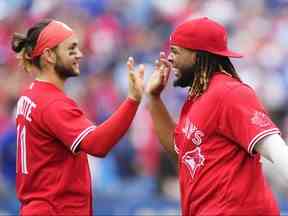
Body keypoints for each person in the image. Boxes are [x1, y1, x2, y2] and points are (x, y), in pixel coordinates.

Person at [146, 17, 288, 215]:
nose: (170, 58)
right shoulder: (197, 98)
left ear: (197, 56)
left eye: (176, 52)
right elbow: (181, 154)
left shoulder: (230, 93)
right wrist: (153, 98)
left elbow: (277, 150)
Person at [11, 19, 144, 215]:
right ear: (49, 55)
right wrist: (132, 100)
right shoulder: (52, 103)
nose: (80, 55)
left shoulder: (30, 93)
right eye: (71, 49)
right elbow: (98, 145)